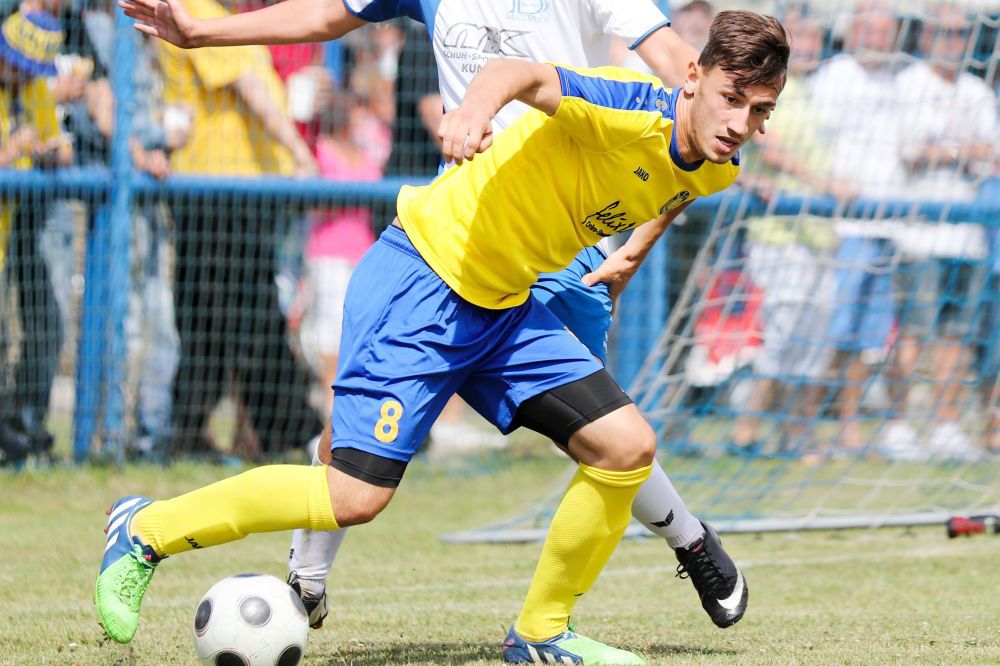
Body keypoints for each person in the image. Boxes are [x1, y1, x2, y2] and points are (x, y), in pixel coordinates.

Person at [95, 12, 786, 663]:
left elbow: (674, 186)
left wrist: (635, 250)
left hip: (505, 304)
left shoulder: (721, 164)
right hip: (426, 278)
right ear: (692, 77)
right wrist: (472, 112)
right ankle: (145, 530)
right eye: (732, 98)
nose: (741, 123)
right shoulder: (626, 106)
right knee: (353, 498)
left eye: (760, 111)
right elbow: (521, 73)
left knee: (627, 446)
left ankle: (542, 633)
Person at [154, 0, 323, 459]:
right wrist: (300, 152)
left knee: (209, 320)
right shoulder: (195, 9)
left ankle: (190, 432)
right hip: (220, 194)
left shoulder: (221, 13)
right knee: (246, 318)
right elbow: (251, 89)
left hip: (236, 190)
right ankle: (292, 429)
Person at [883, 3, 996, 460]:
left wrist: (947, 149)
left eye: (960, 34)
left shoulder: (975, 90)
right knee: (912, 333)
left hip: (965, 234)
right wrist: (962, 150)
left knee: (955, 336)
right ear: (927, 37)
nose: (953, 42)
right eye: (945, 33)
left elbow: (992, 155)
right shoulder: (909, 84)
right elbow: (910, 151)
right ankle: (901, 425)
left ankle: (947, 424)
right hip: (919, 234)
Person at [0, 8, 72, 465]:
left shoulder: (34, 92)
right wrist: (15, 147)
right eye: (18, 68)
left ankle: (16, 430)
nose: (23, 78)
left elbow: (62, 151)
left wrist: (43, 149)